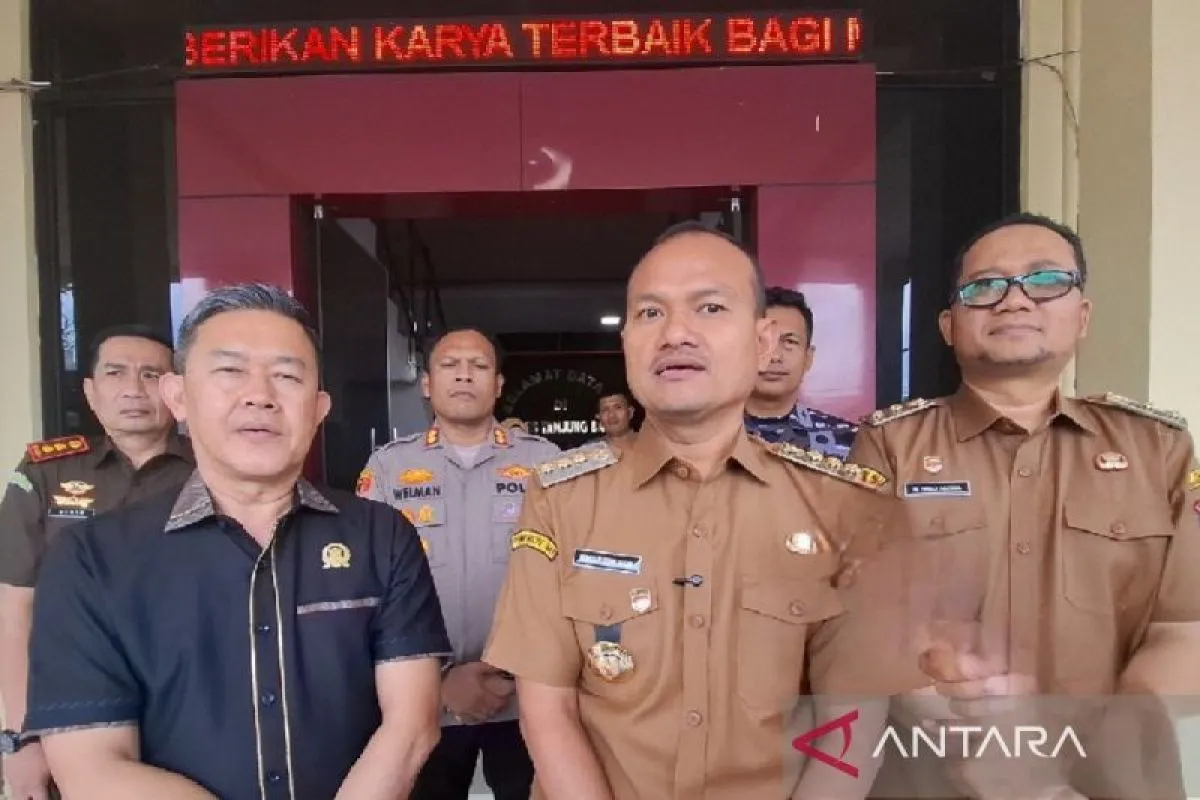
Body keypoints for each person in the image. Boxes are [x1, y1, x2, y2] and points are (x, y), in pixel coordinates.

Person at [483, 222, 923, 800]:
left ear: (763, 341)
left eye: (710, 308)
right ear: (627, 343)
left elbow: (853, 726)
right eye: (650, 314)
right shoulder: (559, 499)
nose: (675, 334)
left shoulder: (841, 506)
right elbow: (547, 710)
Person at [23, 283, 452, 800]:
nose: (259, 395)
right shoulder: (91, 560)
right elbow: (93, 768)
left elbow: (411, 728)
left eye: (287, 376)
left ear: (318, 407)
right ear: (178, 397)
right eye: (230, 371)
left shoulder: (382, 536)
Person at [852, 213, 1200, 799]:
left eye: (1044, 281)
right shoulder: (890, 446)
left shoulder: (1158, 450)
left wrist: (1089, 753)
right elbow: (864, 625)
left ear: (1082, 315)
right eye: (984, 286)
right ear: (948, 325)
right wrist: (979, 736)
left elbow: (1186, 630)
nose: (1013, 300)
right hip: (935, 773)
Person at [358, 328, 558, 800]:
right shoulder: (388, 468)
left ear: (499, 384)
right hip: (424, 699)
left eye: (479, 366)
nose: (464, 375)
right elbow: (371, 585)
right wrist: (442, 679)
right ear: (427, 383)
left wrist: (503, 672)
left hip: (526, 694)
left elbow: (566, 578)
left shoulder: (544, 462)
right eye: (450, 365)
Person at [0, 324, 194, 800]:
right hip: (69, 714)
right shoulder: (47, 474)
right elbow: (15, 611)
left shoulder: (210, 471)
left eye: (151, 374)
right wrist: (21, 736)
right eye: (115, 373)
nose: (133, 389)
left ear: (177, 390)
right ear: (90, 391)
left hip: (184, 701)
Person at [744, 287, 857, 459]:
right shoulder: (706, 435)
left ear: (808, 358)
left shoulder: (850, 441)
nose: (774, 356)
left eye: (790, 342)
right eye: (762, 341)